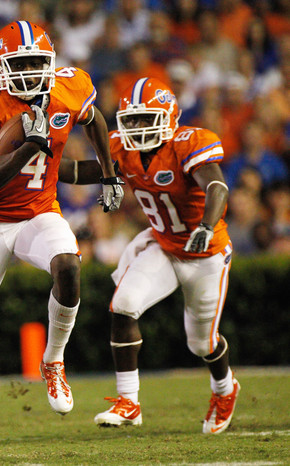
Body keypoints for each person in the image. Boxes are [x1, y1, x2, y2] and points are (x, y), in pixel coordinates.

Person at [0, 20, 124, 460]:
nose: (28, 73)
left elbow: (94, 118)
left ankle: (53, 359)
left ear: (51, 62)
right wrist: (27, 143)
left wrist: (110, 173)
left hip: (40, 212)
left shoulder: (70, 87)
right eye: (19, 64)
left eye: (36, 63)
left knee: (68, 265)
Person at [93, 77, 240, 435]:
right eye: (133, 120)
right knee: (123, 304)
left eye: (147, 119)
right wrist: (40, 163)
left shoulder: (189, 143)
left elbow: (216, 186)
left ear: (169, 116)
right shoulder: (121, 149)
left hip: (205, 253)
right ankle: (129, 402)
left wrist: (207, 223)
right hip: (163, 245)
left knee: (201, 343)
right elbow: (84, 170)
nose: (139, 127)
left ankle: (224, 389)